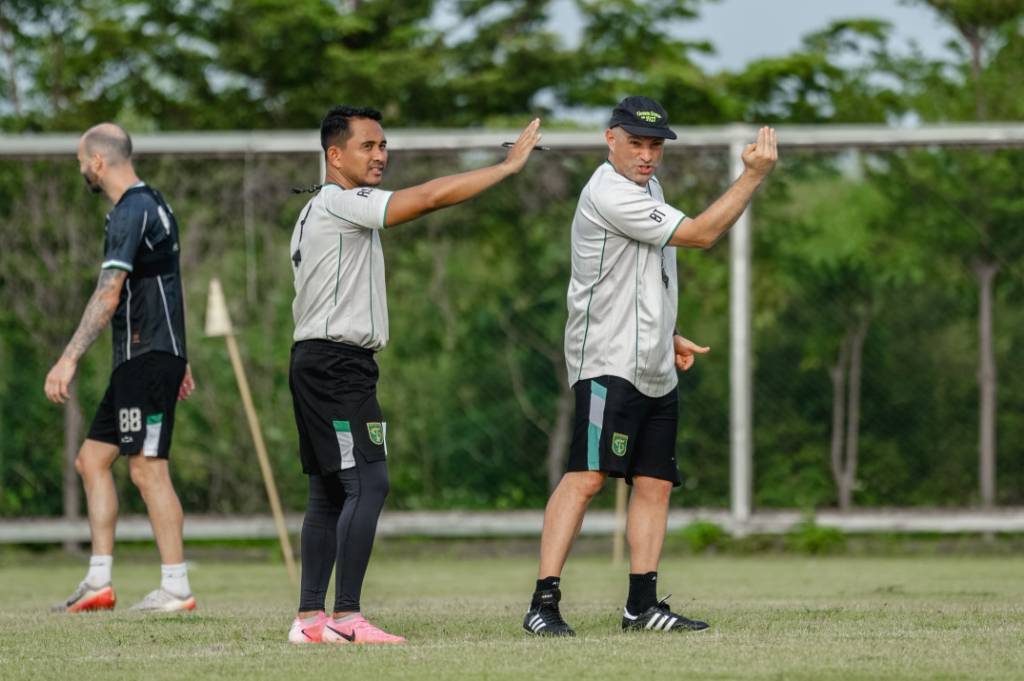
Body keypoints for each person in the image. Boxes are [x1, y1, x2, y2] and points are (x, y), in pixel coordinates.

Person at [286, 105, 543, 645]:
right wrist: (504, 169)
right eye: (368, 146)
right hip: (336, 366)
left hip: (318, 360)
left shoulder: (313, 209)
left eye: (384, 145)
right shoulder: (340, 201)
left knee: (328, 491)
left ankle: (311, 620)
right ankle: (346, 618)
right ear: (335, 155)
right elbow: (425, 199)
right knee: (369, 481)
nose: (381, 155)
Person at [523, 96, 777, 636]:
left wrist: (669, 332)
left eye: (654, 145)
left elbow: (642, 274)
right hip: (607, 358)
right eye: (635, 143)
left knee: (655, 482)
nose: (646, 155)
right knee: (587, 477)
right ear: (609, 138)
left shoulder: (649, 188)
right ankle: (542, 604)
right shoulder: (609, 192)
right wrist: (752, 177)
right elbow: (702, 235)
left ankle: (641, 606)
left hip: (653, 359)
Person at [45, 123, 196, 613]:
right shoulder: (156, 203)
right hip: (146, 358)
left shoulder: (130, 210)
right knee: (91, 461)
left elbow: (109, 293)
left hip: (146, 358)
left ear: (97, 162)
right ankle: (98, 583)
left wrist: (68, 358)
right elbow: (168, 280)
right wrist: (180, 357)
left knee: (148, 469)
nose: (80, 169)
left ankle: (176, 588)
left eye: (79, 161)